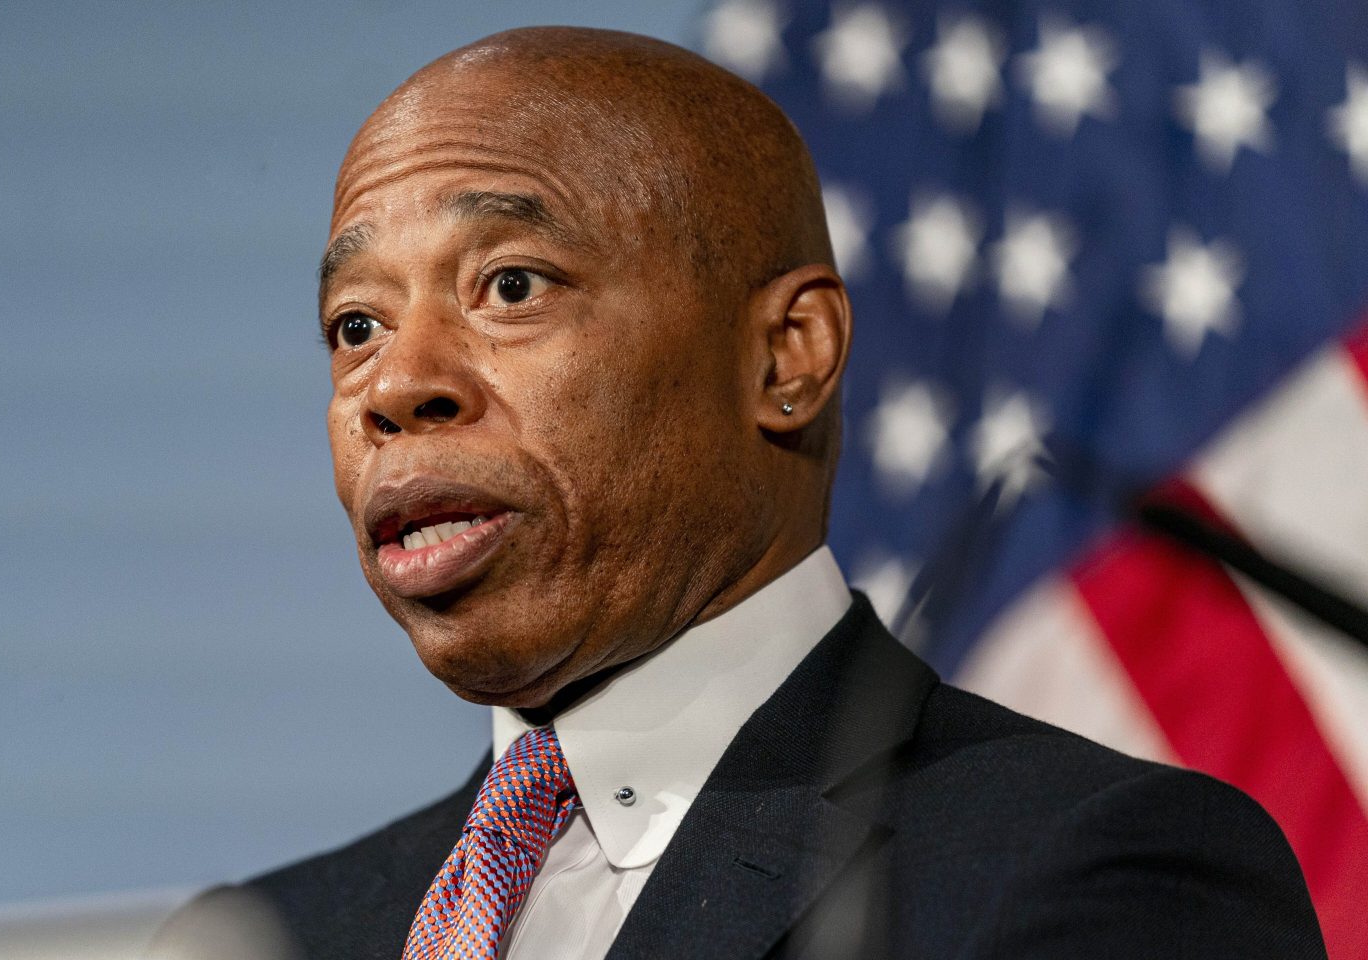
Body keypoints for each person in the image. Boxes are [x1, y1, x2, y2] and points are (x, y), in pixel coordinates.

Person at [150, 26, 1326, 960]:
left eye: (511, 285)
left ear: (786, 358)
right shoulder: (268, 941)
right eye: (355, 326)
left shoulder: (1093, 870)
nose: (395, 386)